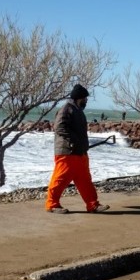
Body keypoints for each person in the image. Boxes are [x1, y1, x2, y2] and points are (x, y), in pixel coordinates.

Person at [45, 84, 110, 214]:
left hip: (80, 152)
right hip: (67, 152)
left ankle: (93, 205)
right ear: (79, 98)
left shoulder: (77, 110)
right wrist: (74, 142)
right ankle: (52, 204)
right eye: (85, 98)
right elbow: (60, 128)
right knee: (60, 179)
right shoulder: (66, 109)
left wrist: (81, 145)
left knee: (85, 180)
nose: (86, 101)